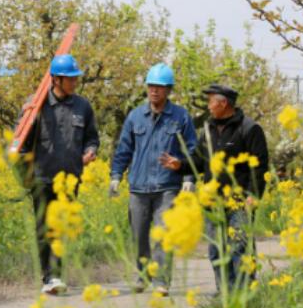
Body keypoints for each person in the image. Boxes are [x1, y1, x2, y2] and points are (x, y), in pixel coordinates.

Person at [160, 84, 269, 293]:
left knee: (239, 247)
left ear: (223, 103)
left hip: (239, 201)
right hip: (212, 201)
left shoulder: (249, 128)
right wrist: (180, 165)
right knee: (216, 249)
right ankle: (224, 292)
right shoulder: (208, 130)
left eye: (210, 101)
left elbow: (260, 166)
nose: (208, 106)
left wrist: (253, 195)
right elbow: (199, 161)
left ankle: (244, 294)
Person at [109, 63, 197, 295]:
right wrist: (116, 176)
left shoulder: (181, 117)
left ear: (168, 90)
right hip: (138, 186)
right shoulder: (135, 116)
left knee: (163, 234)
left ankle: (161, 280)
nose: (154, 91)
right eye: (151, 86)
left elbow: (191, 150)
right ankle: (142, 275)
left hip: (167, 186)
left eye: (159, 87)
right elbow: (124, 149)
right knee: (138, 235)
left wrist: (189, 177)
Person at [19, 54, 99, 295]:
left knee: (62, 230)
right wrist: (24, 173)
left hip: (70, 179)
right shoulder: (36, 105)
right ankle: (49, 277)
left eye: (75, 78)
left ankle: (56, 276)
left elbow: (92, 138)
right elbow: (21, 142)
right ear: (55, 79)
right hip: (42, 177)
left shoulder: (83, 106)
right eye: (70, 78)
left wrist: (90, 151)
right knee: (44, 229)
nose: (74, 82)